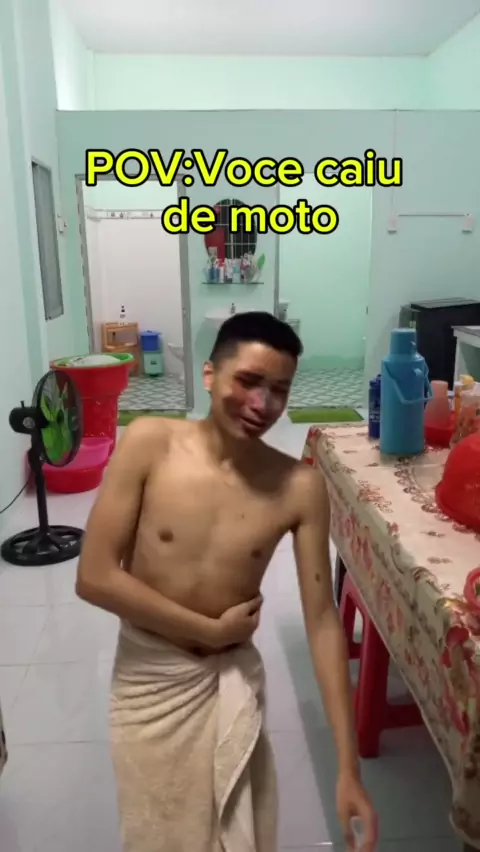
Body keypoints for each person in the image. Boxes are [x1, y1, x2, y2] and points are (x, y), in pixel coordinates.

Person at [76, 311, 377, 852]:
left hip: (230, 679)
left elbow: (321, 621)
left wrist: (348, 768)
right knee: (157, 834)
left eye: (280, 390)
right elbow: (94, 577)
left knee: (240, 833)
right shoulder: (149, 443)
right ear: (210, 374)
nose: (263, 404)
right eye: (249, 381)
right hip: (150, 678)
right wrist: (209, 630)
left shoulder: (299, 486)